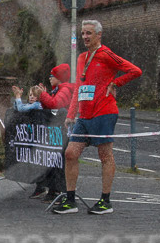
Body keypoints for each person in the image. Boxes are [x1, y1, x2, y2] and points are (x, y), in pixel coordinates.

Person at [53, 20, 142, 215]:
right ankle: (70, 200)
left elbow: (135, 71)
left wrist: (115, 83)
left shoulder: (106, 55)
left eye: (89, 33)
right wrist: (71, 113)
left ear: (99, 35)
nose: (85, 37)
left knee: (105, 156)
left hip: (104, 112)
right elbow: (79, 87)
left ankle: (105, 201)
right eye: (83, 33)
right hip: (84, 116)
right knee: (70, 153)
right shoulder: (82, 58)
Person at [26, 63, 75, 201]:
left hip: (59, 131)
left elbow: (55, 105)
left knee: (58, 162)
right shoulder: (58, 89)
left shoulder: (64, 89)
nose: (49, 78)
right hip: (52, 130)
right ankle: (51, 189)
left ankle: (58, 190)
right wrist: (45, 95)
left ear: (59, 77)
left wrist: (43, 95)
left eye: (52, 75)